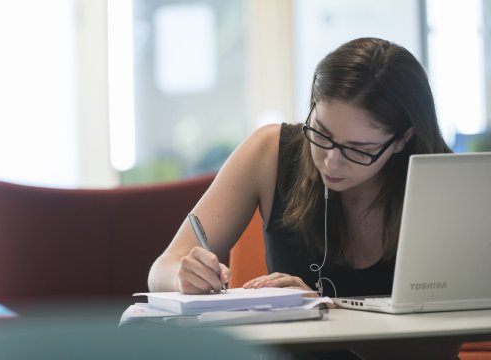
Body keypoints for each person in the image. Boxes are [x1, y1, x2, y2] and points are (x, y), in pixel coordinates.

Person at [148, 37, 458, 359]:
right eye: (321, 133)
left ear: (402, 139)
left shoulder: (444, 186)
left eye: (358, 150)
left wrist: (325, 313)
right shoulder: (269, 152)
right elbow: (162, 269)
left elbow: (438, 349)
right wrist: (183, 275)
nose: (331, 162)